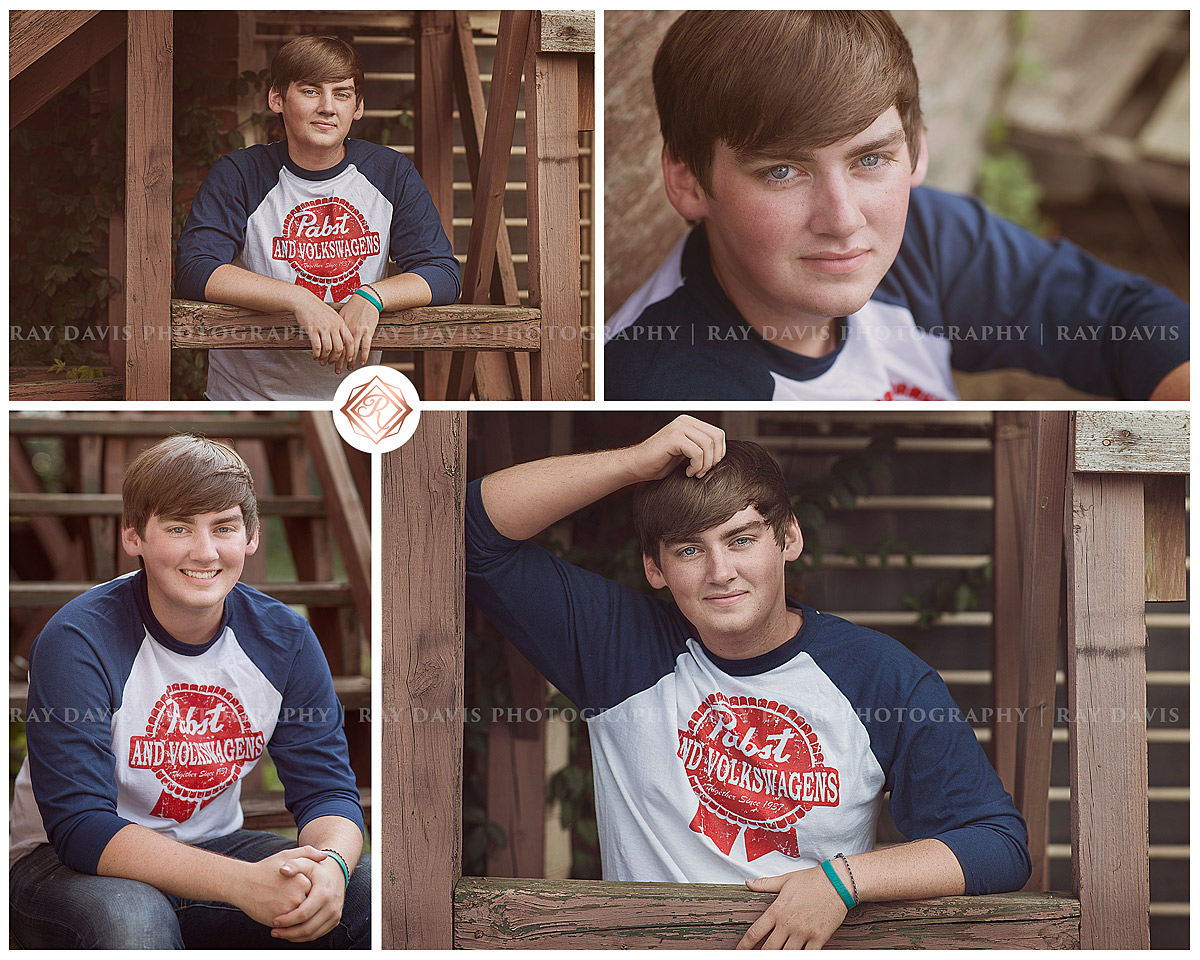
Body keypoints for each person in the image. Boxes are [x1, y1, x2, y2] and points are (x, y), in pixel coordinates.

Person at [466, 416, 1030, 949]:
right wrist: (634, 463)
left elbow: (996, 844)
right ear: (654, 569)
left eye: (741, 540)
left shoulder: (879, 676)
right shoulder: (620, 648)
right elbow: (473, 527)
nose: (720, 572)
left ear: (788, 539)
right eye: (690, 549)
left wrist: (843, 881)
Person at [604, 11, 1189, 401]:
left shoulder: (923, 235)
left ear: (915, 149)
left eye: (869, 160)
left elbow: (1120, 319)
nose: (843, 220)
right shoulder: (668, 392)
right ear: (687, 180)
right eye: (782, 171)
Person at [9, 435, 370, 949]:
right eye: (179, 528)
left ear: (250, 536)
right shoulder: (78, 639)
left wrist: (332, 866)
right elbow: (81, 827)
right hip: (59, 864)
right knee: (133, 918)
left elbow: (327, 791)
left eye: (223, 527)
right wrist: (245, 885)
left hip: (215, 847)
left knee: (366, 889)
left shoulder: (284, 638)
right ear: (134, 536)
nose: (205, 552)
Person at [176, 35, 461, 400]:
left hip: (352, 401)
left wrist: (372, 297)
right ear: (277, 98)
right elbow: (195, 269)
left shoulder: (391, 172)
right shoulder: (241, 173)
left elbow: (442, 272)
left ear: (357, 107)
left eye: (341, 94)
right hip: (246, 399)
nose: (328, 107)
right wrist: (300, 299)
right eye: (311, 91)